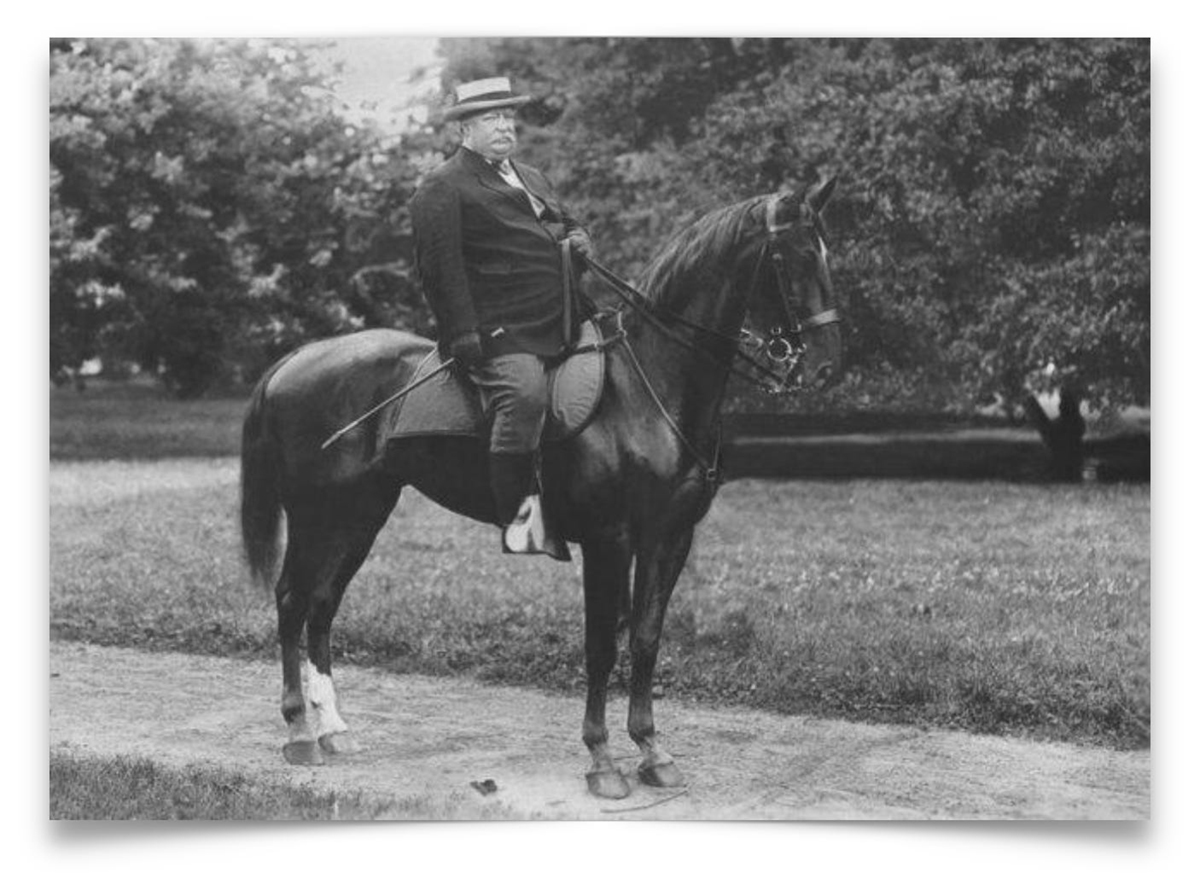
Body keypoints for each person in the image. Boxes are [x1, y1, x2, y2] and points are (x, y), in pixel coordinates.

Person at [409, 77, 593, 560]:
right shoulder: (444, 185)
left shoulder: (532, 176)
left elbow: (564, 222)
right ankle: (521, 523)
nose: (504, 126)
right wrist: (463, 333)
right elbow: (439, 269)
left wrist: (578, 239)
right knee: (525, 396)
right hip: (498, 327)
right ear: (464, 129)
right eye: (491, 118)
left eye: (508, 116)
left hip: (561, 314)